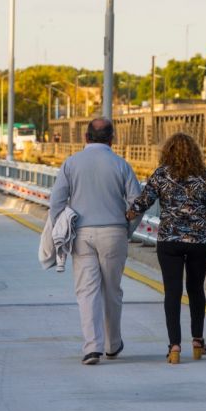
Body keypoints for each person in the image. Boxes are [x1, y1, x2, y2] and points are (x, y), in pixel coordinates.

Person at [126, 133, 206, 364]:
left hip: (169, 241)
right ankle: (198, 341)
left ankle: (175, 347)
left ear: (167, 151)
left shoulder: (162, 174)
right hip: (199, 242)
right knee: (195, 290)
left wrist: (125, 216)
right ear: (194, 152)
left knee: (172, 291)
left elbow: (143, 202)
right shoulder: (203, 176)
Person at [48, 118, 141, 365]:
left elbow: (56, 202)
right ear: (112, 139)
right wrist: (127, 230)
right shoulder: (121, 164)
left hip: (81, 233)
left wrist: (63, 226)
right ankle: (112, 345)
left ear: (86, 138)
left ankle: (92, 348)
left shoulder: (71, 164)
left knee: (86, 291)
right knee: (112, 290)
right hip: (114, 232)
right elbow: (137, 203)